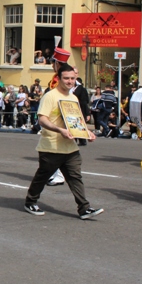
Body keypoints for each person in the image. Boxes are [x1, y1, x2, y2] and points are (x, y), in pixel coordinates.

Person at [23, 63, 102, 220]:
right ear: (58, 78)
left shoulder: (73, 98)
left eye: (72, 78)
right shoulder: (50, 96)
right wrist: (60, 130)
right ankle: (30, 201)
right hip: (51, 146)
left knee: (75, 177)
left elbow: (76, 121)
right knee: (42, 176)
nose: (70, 81)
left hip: (70, 147)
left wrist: (86, 132)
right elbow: (42, 120)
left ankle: (84, 208)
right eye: (66, 78)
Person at [44, 47, 72, 186]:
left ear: (58, 63)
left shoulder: (62, 77)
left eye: (53, 62)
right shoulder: (57, 77)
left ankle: (60, 175)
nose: (51, 65)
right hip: (55, 113)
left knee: (57, 147)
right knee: (53, 146)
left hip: (61, 115)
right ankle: (56, 173)